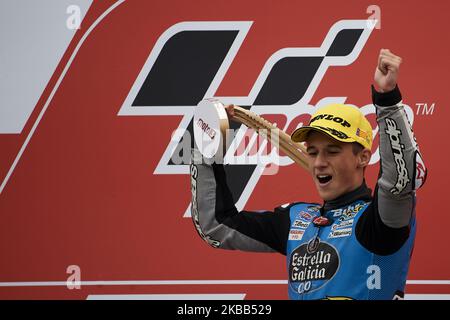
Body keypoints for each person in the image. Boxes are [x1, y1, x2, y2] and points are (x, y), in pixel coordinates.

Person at [189, 49, 427, 300]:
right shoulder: (297, 220)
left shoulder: (378, 220)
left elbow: (400, 181)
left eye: (332, 152)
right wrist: (205, 154)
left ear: (363, 157)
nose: (320, 163)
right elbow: (215, 226)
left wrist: (387, 99)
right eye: (313, 152)